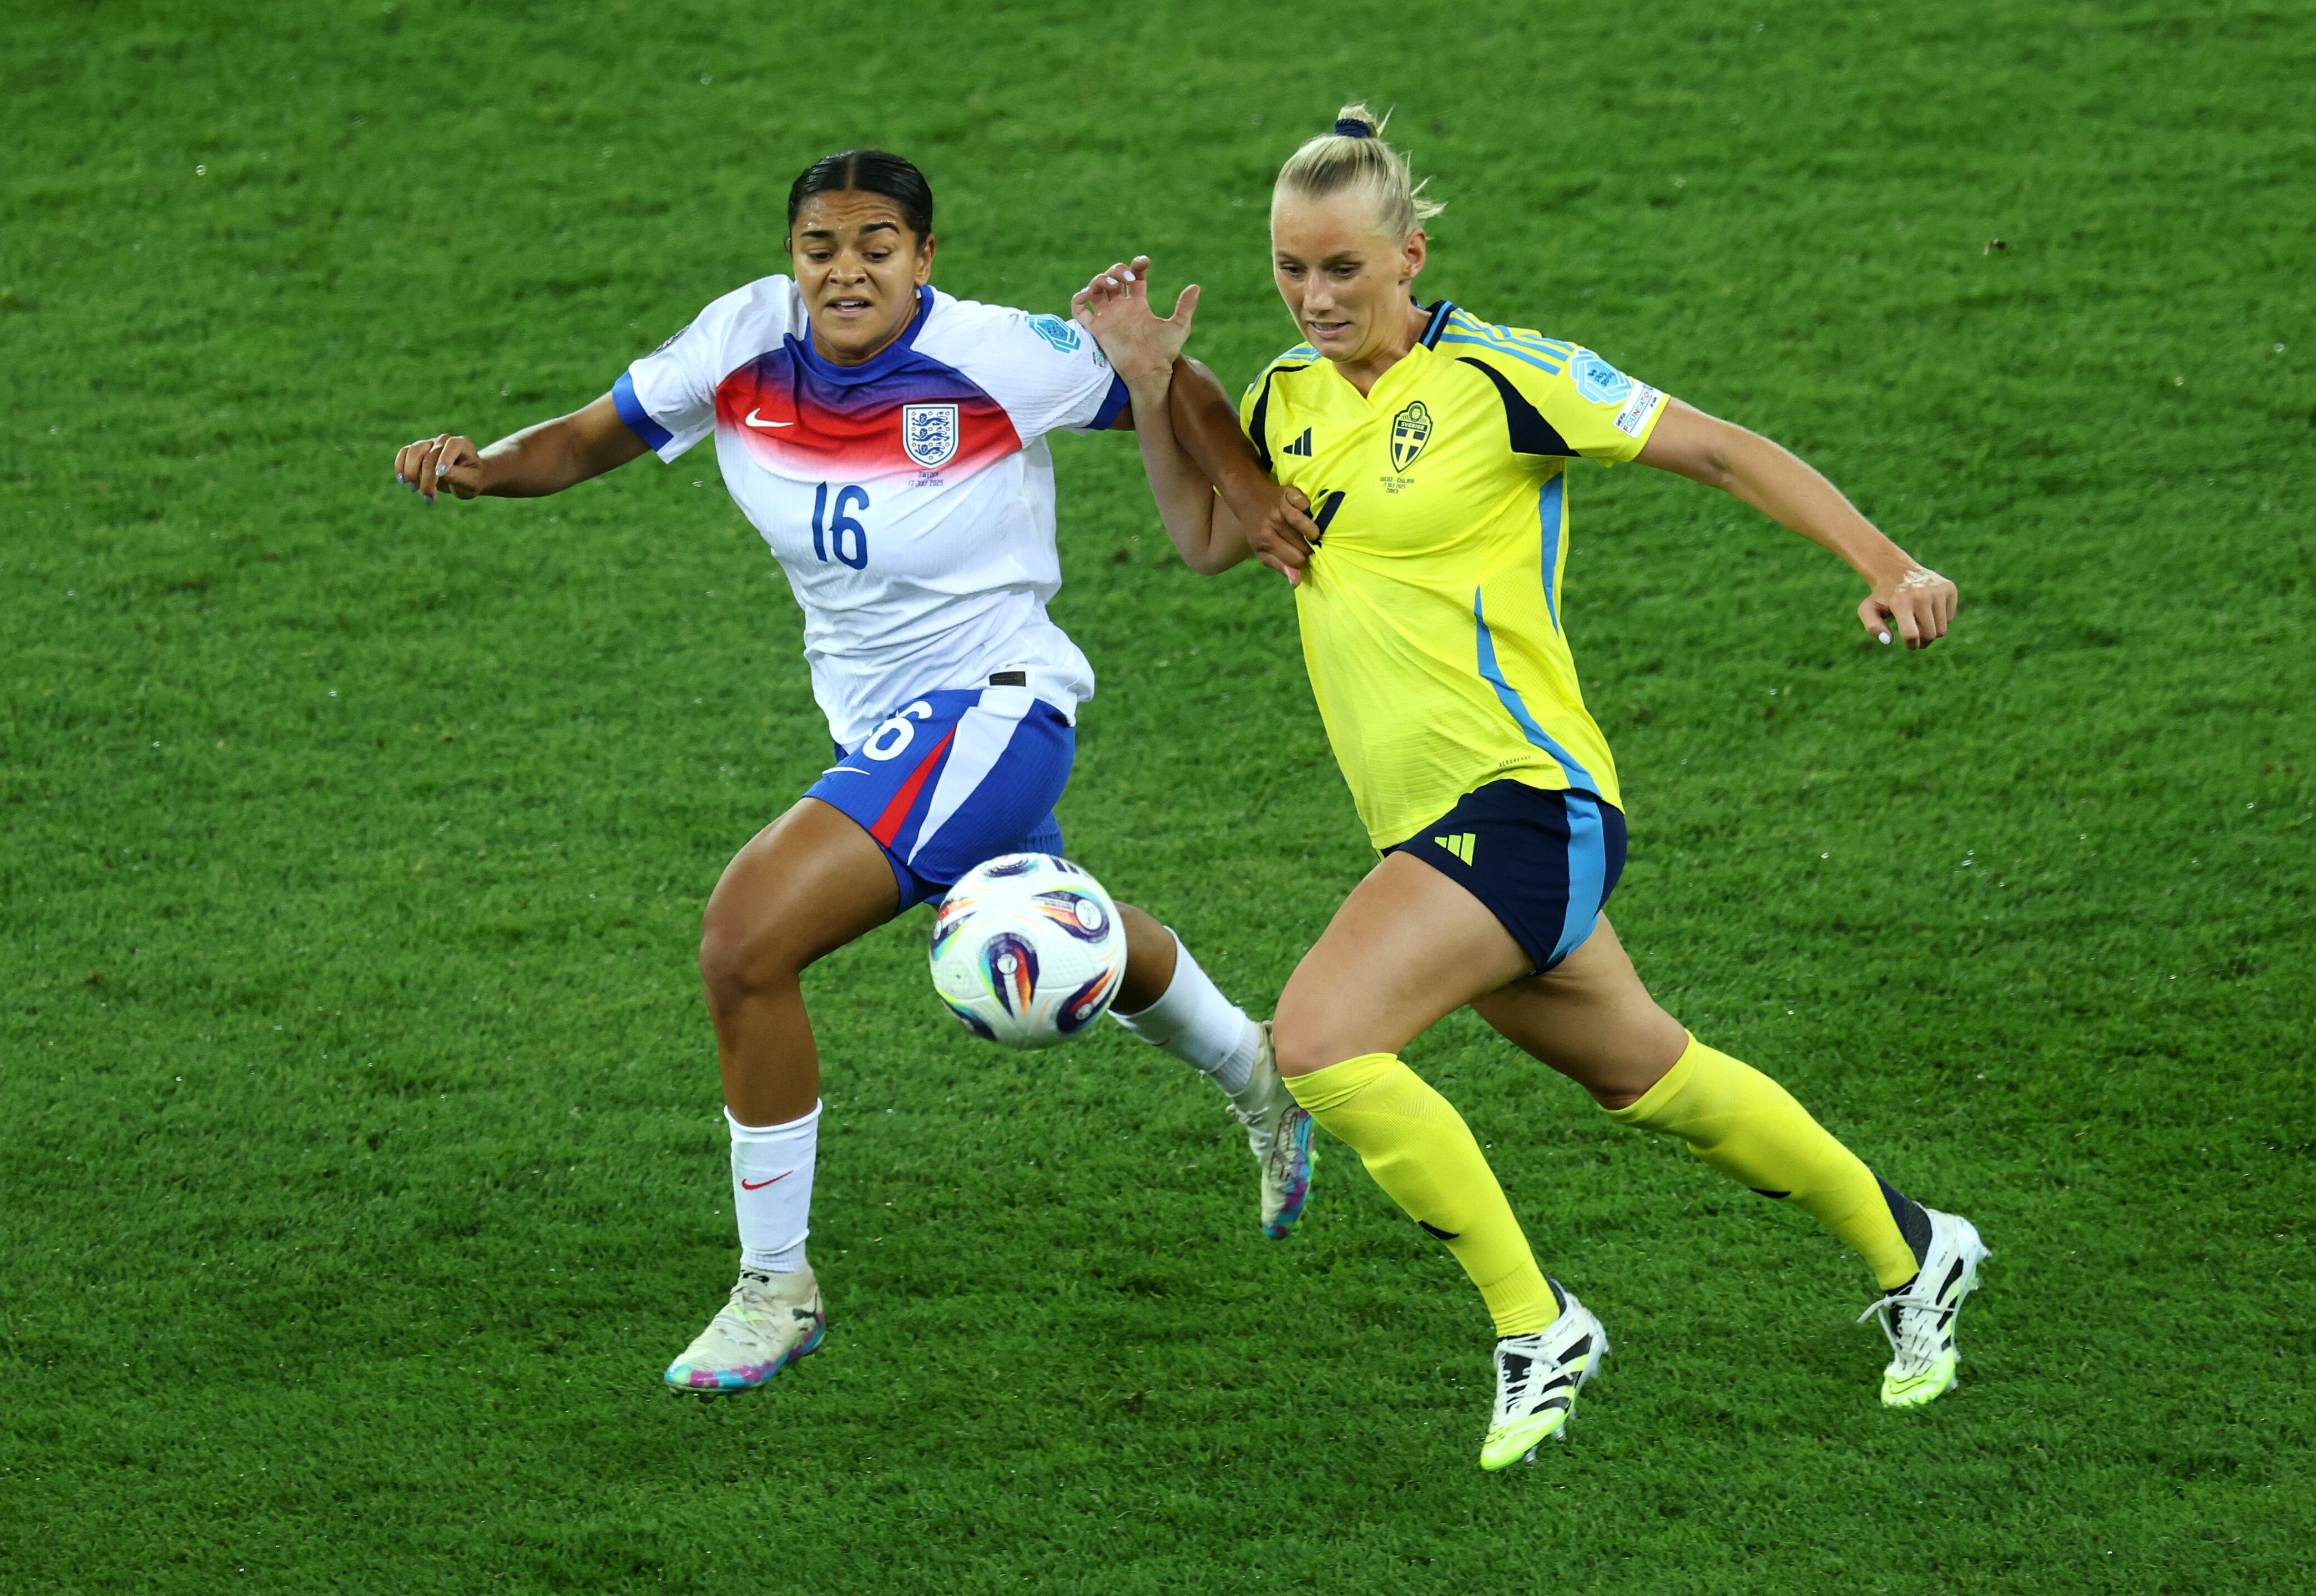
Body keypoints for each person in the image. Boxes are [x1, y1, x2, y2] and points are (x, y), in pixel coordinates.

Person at [1076, 104, 1985, 1470]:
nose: (1315, 298)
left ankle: (1536, 1323)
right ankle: (1916, 1250)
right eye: (1289, 269)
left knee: (1322, 1042)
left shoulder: (1504, 377)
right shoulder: (1282, 397)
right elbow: (1209, 536)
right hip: (1430, 827)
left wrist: (1886, 562)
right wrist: (1158, 389)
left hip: (1525, 801)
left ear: (1410, 255)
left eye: (1343, 270)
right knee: (1657, 1079)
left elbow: (1722, 448)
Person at [388, 148, 1316, 1395]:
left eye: (878, 244)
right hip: (880, 725)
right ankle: (1259, 1071)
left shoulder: (994, 354)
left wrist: (1250, 494)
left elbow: (1175, 384)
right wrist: (486, 465)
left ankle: (776, 1287)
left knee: (744, 941)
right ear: (793, 255)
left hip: (996, 704)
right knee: (1056, 925)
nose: (847, 269)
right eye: (822, 245)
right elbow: (592, 435)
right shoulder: (740, 342)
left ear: (924, 259)